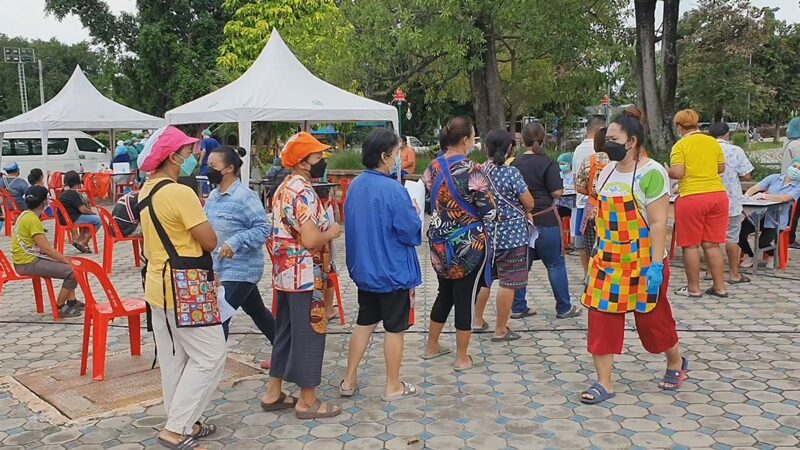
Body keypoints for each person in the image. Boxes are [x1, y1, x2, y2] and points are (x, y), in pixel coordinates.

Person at [580, 108, 685, 404]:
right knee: (600, 318)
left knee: (653, 321)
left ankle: (675, 361)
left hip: (643, 263)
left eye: (614, 138)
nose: (608, 143)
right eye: (607, 138)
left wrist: (655, 266)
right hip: (608, 261)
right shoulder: (607, 171)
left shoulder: (653, 173)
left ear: (632, 141)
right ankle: (604, 383)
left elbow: (658, 223)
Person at [138, 126, 224, 450]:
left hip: (157, 287)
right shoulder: (180, 193)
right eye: (188, 153)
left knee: (176, 360)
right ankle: (175, 429)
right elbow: (209, 240)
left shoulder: (145, 191)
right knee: (211, 355)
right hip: (186, 286)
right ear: (173, 157)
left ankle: (186, 423)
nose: (193, 158)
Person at [262, 131, 342, 419]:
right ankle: (307, 402)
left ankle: (273, 392)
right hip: (305, 274)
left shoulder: (284, 187)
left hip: (284, 274)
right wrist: (332, 231)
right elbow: (310, 239)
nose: (322, 160)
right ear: (302, 162)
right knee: (310, 332)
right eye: (318, 156)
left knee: (285, 331)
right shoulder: (304, 191)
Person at [340, 129, 422, 400]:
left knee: (364, 322)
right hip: (392, 271)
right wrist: (416, 214)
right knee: (394, 328)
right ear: (385, 156)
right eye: (398, 154)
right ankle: (392, 385)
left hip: (365, 269)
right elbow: (411, 232)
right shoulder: (393, 190)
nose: (400, 159)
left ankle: (348, 379)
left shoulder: (355, 186)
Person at [422, 116, 495, 371]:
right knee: (464, 298)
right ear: (465, 140)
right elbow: (489, 211)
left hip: (439, 244)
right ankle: (462, 356)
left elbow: (427, 202)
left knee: (445, 293)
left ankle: (432, 345)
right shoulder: (473, 170)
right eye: (473, 137)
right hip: (468, 246)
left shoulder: (432, 167)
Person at [204, 145, 275, 367]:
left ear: (230, 168)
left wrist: (235, 242)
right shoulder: (213, 197)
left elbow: (263, 229)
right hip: (219, 267)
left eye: (213, 166)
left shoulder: (246, 197)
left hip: (241, 268)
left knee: (220, 314)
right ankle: (286, 350)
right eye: (208, 165)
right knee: (258, 311)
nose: (208, 170)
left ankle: (211, 367)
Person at [511, 122, 582, 319]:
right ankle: (564, 307)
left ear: (523, 140)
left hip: (523, 222)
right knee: (555, 264)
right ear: (543, 139)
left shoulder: (515, 163)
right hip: (547, 220)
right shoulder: (548, 162)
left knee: (521, 265)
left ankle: (518, 307)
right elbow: (557, 191)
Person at [472, 129, 535, 340]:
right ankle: (501, 329)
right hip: (513, 236)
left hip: (487, 234)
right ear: (510, 149)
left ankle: (477, 320)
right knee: (508, 282)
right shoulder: (511, 173)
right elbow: (529, 203)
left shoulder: (478, 171)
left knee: (485, 279)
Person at [668, 109, 729, 298]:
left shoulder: (681, 145)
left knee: (691, 245)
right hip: (718, 195)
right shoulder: (713, 142)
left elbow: (678, 173)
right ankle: (720, 287)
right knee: (712, 244)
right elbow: (721, 168)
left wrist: (666, 170)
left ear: (679, 127)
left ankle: (693, 288)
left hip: (693, 197)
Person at [12, 185, 84, 318]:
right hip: (27, 262)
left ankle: (72, 301)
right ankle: (60, 306)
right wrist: (65, 260)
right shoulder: (33, 220)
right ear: (44, 201)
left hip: (26, 259)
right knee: (72, 271)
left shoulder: (26, 214)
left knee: (67, 264)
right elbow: (47, 249)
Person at [709, 122, 753, 282]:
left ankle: (710, 271)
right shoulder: (735, 151)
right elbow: (747, 175)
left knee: (711, 238)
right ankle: (734, 273)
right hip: (730, 200)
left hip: (710, 197)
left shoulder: (705, 150)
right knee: (732, 237)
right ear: (727, 134)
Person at [738, 157, 800, 268]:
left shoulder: (797, 187)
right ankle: (749, 255)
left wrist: (764, 195)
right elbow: (755, 188)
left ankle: (773, 255)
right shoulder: (774, 178)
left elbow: (784, 198)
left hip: (776, 220)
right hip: (759, 216)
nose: (795, 170)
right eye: (794, 166)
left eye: (799, 169)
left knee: (762, 243)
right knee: (739, 232)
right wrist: (747, 195)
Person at [571, 115, 606, 275]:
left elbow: (576, 182)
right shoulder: (615, 157)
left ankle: (588, 274)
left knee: (585, 243)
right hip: (608, 206)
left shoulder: (579, 151)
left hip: (585, 205)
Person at [58, 171, 101, 254]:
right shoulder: (73, 193)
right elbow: (83, 209)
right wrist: (93, 213)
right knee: (98, 220)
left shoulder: (62, 192)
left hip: (63, 219)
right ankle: (84, 241)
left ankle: (78, 240)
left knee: (89, 219)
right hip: (72, 219)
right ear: (76, 182)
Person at [782, 117, 800, 247]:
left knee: (791, 212)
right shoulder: (797, 145)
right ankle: (789, 239)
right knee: (794, 214)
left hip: (787, 182)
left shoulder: (788, 142)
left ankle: (789, 238)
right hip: (796, 183)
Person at [556, 152, 574, 218]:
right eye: (560, 164)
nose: (561, 165)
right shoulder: (559, 174)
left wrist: (567, 187)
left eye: (563, 164)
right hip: (560, 203)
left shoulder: (574, 175)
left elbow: (575, 186)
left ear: (569, 163)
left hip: (571, 203)